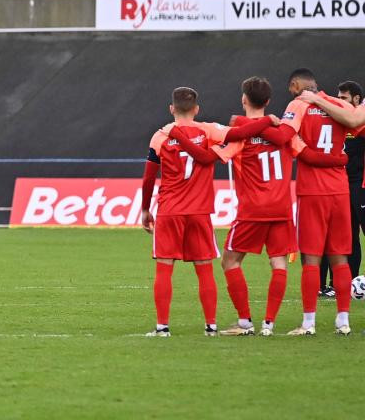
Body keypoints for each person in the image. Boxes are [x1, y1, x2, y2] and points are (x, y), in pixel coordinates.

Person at [214, 77, 344, 336]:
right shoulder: (286, 132)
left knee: (230, 262)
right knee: (279, 265)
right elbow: (307, 155)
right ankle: (269, 324)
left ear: (243, 99)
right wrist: (340, 158)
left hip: (252, 210)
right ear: (269, 101)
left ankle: (244, 322)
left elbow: (218, 155)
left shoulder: (241, 135)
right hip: (282, 208)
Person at [140, 87, 243, 336]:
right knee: (204, 268)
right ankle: (211, 326)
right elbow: (238, 136)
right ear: (196, 109)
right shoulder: (208, 131)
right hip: (200, 211)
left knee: (164, 267)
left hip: (170, 210)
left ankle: (162, 327)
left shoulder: (160, 136)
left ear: (172, 109)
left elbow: (148, 178)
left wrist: (145, 209)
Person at [274, 70, 359, 334]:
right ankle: (343, 322)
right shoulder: (339, 104)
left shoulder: (297, 105)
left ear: (296, 85)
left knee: (311, 259)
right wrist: (338, 159)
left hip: (312, 191)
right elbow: (356, 123)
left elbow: (287, 137)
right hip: (340, 190)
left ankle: (308, 323)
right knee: (340, 258)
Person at [320, 81, 364, 297]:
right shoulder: (336, 121)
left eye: (344, 98)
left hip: (360, 185)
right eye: (337, 98)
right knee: (347, 238)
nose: (339, 102)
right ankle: (346, 284)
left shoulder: (359, 121)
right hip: (339, 186)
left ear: (357, 100)